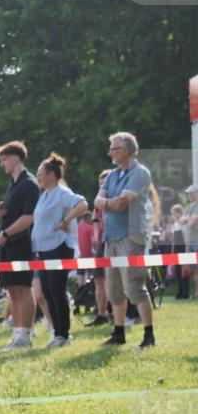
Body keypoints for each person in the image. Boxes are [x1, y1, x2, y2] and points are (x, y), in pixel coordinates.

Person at [94, 132, 156, 348]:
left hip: (131, 235)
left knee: (134, 286)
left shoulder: (140, 173)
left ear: (127, 150)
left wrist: (106, 202)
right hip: (111, 236)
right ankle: (118, 333)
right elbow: (97, 200)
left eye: (114, 148)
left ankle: (149, 335)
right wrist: (109, 202)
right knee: (113, 288)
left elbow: (121, 205)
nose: (110, 152)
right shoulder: (111, 175)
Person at [31, 153, 89, 348]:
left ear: (51, 175)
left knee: (56, 290)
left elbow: (82, 204)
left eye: (40, 174)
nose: (38, 177)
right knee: (48, 292)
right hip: (43, 250)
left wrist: (65, 220)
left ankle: (63, 334)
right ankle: (58, 332)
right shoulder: (44, 195)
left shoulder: (62, 192)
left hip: (59, 247)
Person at [0, 141, 40, 350]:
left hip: (21, 243)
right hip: (8, 245)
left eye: (4, 159)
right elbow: (16, 213)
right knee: (12, 290)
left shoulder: (29, 183)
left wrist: (6, 233)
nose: (2, 163)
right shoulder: (12, 184)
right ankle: (17, 334)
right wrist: (3, 213)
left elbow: (29, 217)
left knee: (23, 288)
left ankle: (25, 336)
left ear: (17, 158)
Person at [85, 169, 114, 326]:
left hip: (113, 242)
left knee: (114, 280)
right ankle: (101, 314)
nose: (102, 186)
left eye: (105, 183)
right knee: (98, 280)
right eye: (100, 183)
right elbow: (95, 222)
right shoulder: (98, 202)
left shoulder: (113, 200)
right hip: (100, 245)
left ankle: (116, 313)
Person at [182, 184, 198, 300]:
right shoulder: (188, 207)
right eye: (188, 194)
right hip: (190, 241)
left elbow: (191, 223)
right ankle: (196, 292)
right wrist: (189, 220)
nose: (189, 196)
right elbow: (181, 220)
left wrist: (188, 220)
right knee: (193, 270)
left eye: (191, 193)